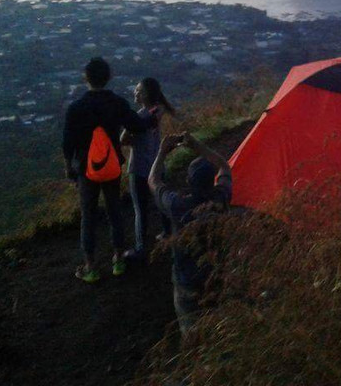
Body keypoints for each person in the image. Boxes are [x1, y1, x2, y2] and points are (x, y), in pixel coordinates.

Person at [62, 57, 145, 283]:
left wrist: (69, 167)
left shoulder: (76, 108)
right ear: (108, 77)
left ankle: (90, 266)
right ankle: (118, 259)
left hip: (85, 170)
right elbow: (137, 124)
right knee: (114, 211)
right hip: (111, 167)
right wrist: (152, 114)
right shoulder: (116, 103)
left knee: (88, 216)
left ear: (85, 78)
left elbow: (67, 143)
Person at [149, 132, 232, 332]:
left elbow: (153, 180)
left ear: (188, 180)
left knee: (191, 332)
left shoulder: (178, 205)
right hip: (217, 281)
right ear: (212, 180)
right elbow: (224, 166)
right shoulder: (221, 197)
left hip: (187, 283)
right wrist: (197, 144)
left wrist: (162, 152)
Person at [120, 77, 175, 262]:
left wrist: (135, 141)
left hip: (139, 168)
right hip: (157, 165)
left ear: (147, 95)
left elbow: (122, 139)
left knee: (140, 210)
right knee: (161, 201)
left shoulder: (141, 116)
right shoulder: (158, 110)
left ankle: (140, 248)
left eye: (139, 91)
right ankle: (168, 234)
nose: (135, 93)